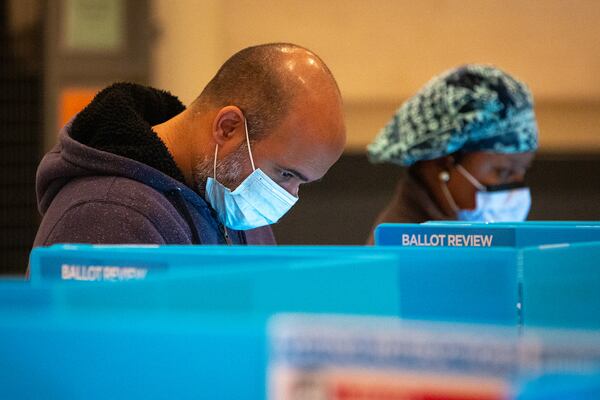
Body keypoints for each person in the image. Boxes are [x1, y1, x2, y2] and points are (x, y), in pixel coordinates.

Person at [32, 43, 346, 248]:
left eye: (301, 184)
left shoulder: (237, 213)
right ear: (228, 128)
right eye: (286, 175)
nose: (288, 197)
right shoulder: (109, 215)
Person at [366, 64, 538, 243]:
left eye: (523, 170)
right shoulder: (403, 248)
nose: (516, 190)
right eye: (503, 172)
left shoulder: (463, 237)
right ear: (444, 162)